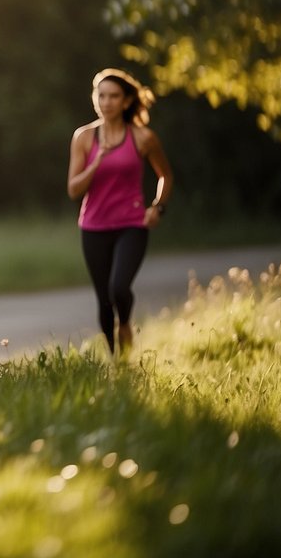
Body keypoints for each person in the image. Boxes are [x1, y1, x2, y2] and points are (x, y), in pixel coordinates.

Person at [67, 68, 172, 355]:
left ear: (126, 101)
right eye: (102, 96)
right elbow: (74, 190)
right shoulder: (84, 138)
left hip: (132, 224)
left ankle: (124, 323)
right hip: (94, 226)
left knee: (119, 288)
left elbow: (166, 176)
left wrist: (158, 207)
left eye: (114, 96)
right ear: (95, 99)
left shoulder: (143, 137)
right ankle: (117, 362)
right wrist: (95, 163)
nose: (107, 102)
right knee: (103, 299)